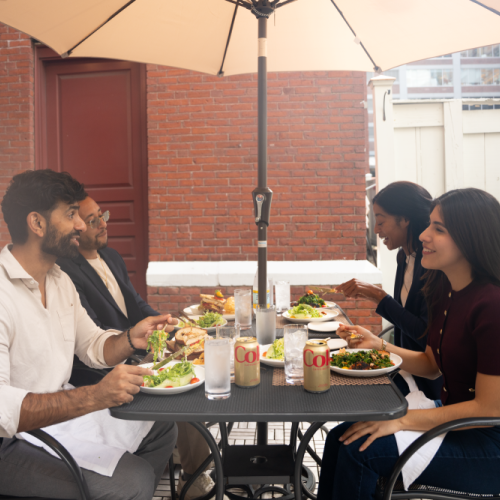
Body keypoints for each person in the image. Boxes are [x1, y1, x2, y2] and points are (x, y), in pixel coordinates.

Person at [0, 170, 178, 500]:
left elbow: (93, 344)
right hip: (9, 441)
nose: (80, 225)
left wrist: (130, 339)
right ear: (37, 224)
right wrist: (93, 397)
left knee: (162, 427)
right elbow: (2, 408)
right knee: (133, 480)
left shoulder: (57, 280)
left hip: (57, 418)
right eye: (70, 215)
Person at [317, 188, 500, 500]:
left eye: (438, 229)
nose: (424, 235)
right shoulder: (446, 291)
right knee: (341, 436)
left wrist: (403, 420)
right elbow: (431, 365)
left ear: (471, 237)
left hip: (486, 443)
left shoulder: (491, 305)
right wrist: (378, 345)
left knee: (360, 450)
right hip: (457, 423)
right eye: (429, 224)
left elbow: (489, 408)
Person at [57, 195, 214, 500]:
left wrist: (172, 326)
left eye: (102, 215)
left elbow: (137, 306)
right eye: (92, 221)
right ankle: (195, 474)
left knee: (196, 359)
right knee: (185, 387)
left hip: (135, 349)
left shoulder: (111, 257)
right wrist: (145, 346)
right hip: (100, 370)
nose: (102, 223)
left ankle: (193, 464)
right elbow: (92, 334)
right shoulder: (65, 271)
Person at [335, 181, 442, 400]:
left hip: (424, 386)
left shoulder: (432, 265)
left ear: (404, 220)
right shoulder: (403, 256)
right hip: (401, 368)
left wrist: (379, 297)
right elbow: (405, 320)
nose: (375, 230)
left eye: (381, 221)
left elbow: (423, 333)